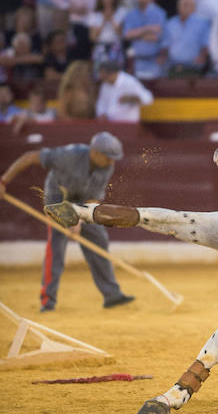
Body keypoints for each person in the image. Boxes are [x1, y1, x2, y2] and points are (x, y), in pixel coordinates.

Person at [0, 131, 135, 312]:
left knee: (99, 240)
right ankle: (48, 301)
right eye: (109, 157)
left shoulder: (107, 167)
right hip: (58, 200)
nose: (112, 162)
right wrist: (3, 181)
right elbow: (30, 157)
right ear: (95, 153)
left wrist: (78, 218)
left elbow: (94, 199)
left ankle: (112, 295)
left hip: (84, 202)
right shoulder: (68, 155)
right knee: (56, 248)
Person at [122, 0, 167, 80]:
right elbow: (127, 35)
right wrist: (148, 29)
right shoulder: (130, 14)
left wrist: (136, 34)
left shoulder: (159, 13)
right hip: (135, 61)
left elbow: (156, 37)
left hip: (154, 61)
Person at [161, 0, 211, 77]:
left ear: (193, 7)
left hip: (194, 67)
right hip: (173, 67)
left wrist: (202, 56)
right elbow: (165, 45)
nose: (185, 7)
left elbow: (205, 44)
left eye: (187, 4)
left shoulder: (202, 23)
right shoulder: (170, 23)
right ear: (177, 7)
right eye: (183, 4)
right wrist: (163, 57)